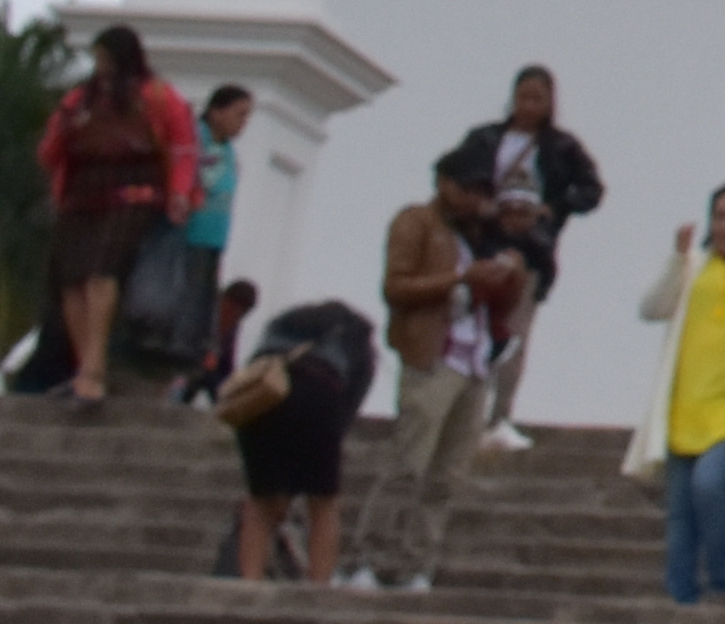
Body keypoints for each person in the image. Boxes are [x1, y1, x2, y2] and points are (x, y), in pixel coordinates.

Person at [357, 143, 529, 589]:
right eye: (467, 190)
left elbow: (506, 307)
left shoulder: (484, 235)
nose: (475, 201)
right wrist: (459, 279)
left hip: (474, 362)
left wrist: (511, 276)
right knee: (408, 464)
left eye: (482, 193)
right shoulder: (416, 222)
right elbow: (396, 286)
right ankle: (371, 558)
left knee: (446, 476)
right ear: (443, 183)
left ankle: (418, 563)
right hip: (432, 355)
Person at [626, 180, 725, 604]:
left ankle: (721, 577)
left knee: (709, 486)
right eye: (719, 216)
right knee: (680, 510)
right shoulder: (694, 265)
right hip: (685, 402)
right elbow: (651, 308)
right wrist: (676, 258)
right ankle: (681, 592)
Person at [34, 21, 200, 410]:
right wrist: (65, 125)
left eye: (105, 57)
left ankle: (93, 371)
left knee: (101, 272)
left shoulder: (157, 96)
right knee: (72, 281)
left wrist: (179, 192)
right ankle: (84, 370)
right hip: (82, 194)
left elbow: (182, 147)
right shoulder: (80, 99)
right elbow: (49, 154)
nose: (100, 65)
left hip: (133, 193)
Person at [472, 66, 604, 428]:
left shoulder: (562, 147)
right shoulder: (484, 139)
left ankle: (499, 414)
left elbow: (592, 190)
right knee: (474, 324)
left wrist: (556, 208)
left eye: (537, 99)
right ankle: (467, 409)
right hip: (482, 242)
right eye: (523, 98)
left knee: (514, 333)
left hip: (531, 249)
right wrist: (477, 205)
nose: (529, 106)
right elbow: (453, 174)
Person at [229, 293, 373, 588]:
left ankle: (249, 583)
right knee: (322, 501)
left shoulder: (282, 327)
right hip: (319, 397)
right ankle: (319, 584)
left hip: (260, 397)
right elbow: (351, 397)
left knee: (260, 501)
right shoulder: (352, 339)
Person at [165, 85, 255, 404]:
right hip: (186, 240)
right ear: (216, 111)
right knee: (179, 314)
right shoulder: (196, 141)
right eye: (239, 114)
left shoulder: (229, 153)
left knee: (200, 320)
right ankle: (170, 383)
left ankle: (186, 380)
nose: (243, 123)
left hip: (212, 244)